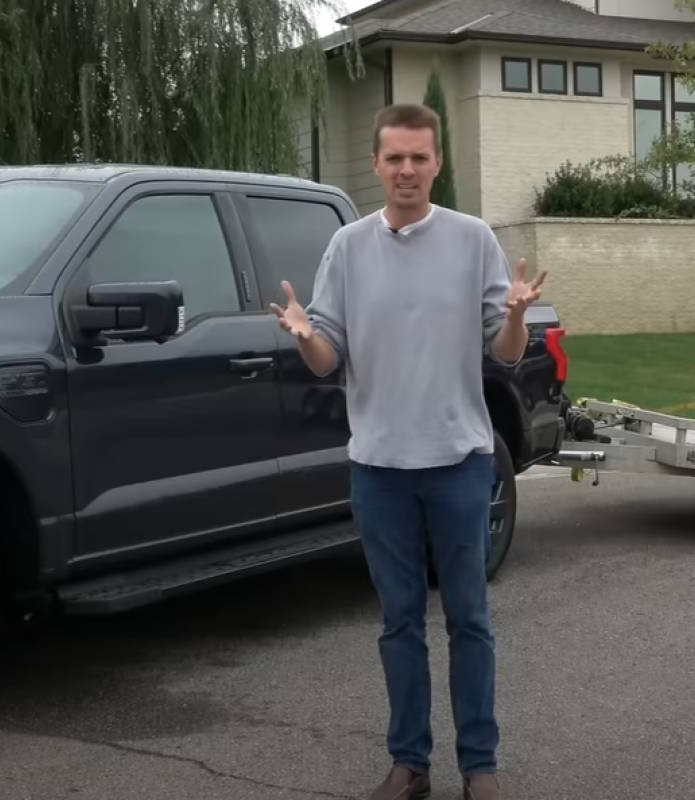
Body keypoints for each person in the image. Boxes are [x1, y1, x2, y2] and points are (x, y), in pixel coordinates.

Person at [269, 103, 545, 800]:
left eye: (419, 158)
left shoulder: (471, 239)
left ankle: (479, 768)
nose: (407, 170)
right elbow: (329, 360)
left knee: (469, 621)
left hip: (458, 463)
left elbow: (504, 354)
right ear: (375, 165)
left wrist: (514, 316)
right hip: (380, 470)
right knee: (399, 625)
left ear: (437, 163)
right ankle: (409, 763)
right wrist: (305, 334)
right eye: (394, 158)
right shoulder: (349, 248)